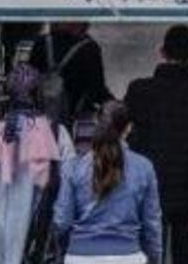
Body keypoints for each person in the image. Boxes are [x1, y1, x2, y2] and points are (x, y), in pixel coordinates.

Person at [0, 64, 75, 264]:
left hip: (2, 242)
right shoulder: (59, 135)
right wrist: (62, 226)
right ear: (39, 96)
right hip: (41, 240)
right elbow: (70, 187)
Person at [124, 26, 188, 264]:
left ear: (162, 52)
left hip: (144, 190)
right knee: (184, 256)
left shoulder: (139, 91)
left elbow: (121, 134)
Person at [54, 101, 163, 264]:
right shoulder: (144, 167)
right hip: (128, 255)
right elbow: (152, 225)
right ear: (128, 128)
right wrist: (154, 258)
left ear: (96, 124)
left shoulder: (74, 167)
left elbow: (62, 222)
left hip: (80, 255)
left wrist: (63, 252)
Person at [29, 21, 115, 125]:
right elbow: (96, 90)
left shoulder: (41, 43)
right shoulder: (89, 48)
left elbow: (29, 82)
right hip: (74, 121)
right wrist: (114, 103)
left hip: (40, 121)